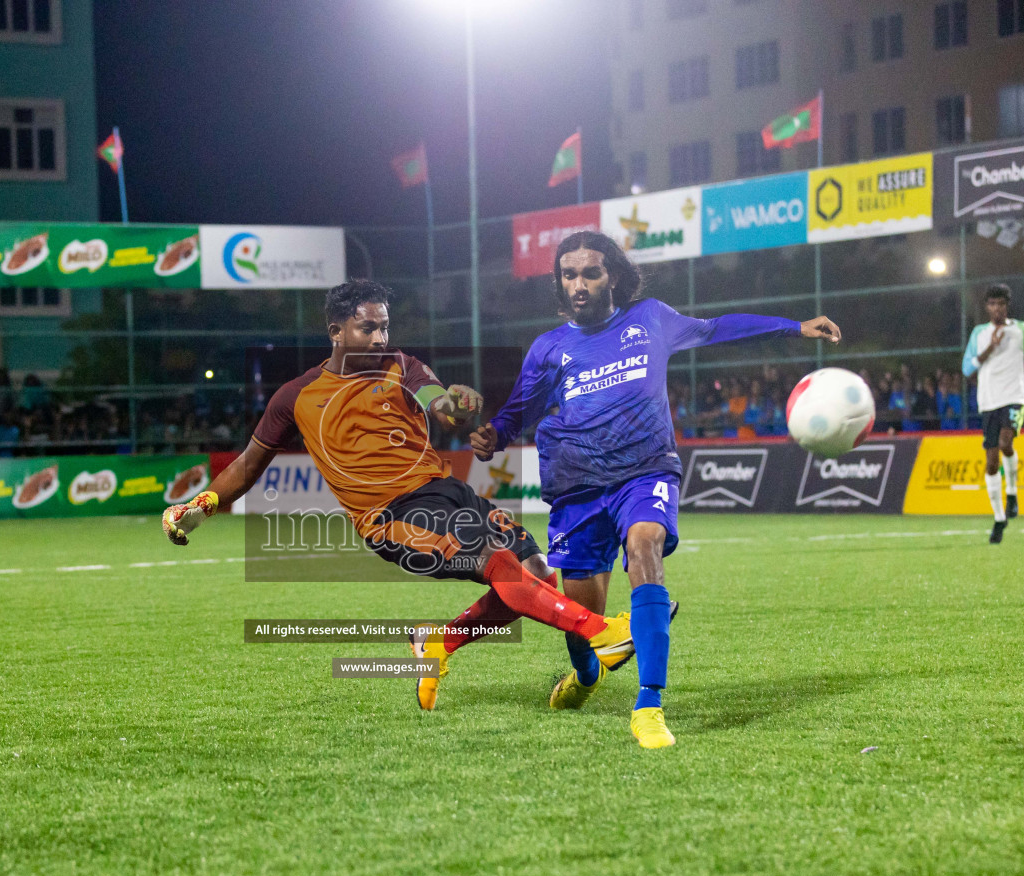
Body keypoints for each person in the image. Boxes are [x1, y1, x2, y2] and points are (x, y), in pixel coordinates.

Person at [161, 279, 635, 712]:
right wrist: (200, 507)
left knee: (535, 575)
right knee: (499, 564)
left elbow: (439, 404)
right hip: (390, 515)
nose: (379, 339)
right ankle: (602, 634)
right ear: (335, 330)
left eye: (384, 328)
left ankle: (437, 643)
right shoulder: (296, 396)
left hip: (448, 491)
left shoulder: (402, 366)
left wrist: (457, 405)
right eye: (368, 329)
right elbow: (246, 466)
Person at [470, 230, 841, 749]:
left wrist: (794, 327)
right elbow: (519, 411)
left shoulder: (651, 319)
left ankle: (648, 706)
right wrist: (494, 435)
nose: (578, 283)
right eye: (568, 274)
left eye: (590, 272)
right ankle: (586, 673)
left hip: (644, 472)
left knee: (644, 546)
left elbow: (717, 329)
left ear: (613, 276)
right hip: (577, 485)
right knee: (583, 623)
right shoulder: (549, 349)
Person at [962, 283, 1024, 544]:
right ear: (987, 307)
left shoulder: (1022, 330)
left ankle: (1013, 494)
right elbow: (966, 368)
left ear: (1007, 306)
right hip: (988, 402)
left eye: (1001, 304)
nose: (996, 308)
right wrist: (989, 349)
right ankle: (998, 518)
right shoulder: (979, 333)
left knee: (1007, 442)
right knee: (991, 463)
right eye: (992, 304)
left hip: (1014, 398)